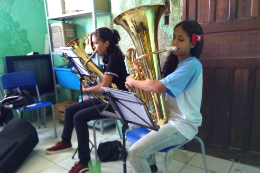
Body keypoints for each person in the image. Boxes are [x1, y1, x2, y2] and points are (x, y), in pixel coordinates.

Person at [125, 20, 204, 173]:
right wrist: (136, 82)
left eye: (180, 39)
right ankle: (151, 167)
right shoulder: (175, 64)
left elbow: (158, 87)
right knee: (134, 122)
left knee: (135, 153)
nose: (174, 42)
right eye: (174, 37)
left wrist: (134, 81)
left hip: (182, 125)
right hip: (167, 119)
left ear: (193, 44)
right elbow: (152, 89)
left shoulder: (192, 65)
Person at [46, 27, 128, 173]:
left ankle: (84, 161)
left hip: (117, 104)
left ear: (106, 43)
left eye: (95, 43)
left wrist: (87, 89)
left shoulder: (114, 59)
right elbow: (105, 84)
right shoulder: (108, 57)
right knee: (70, 109)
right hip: (108, 98)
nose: (93, 47)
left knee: (79, 117)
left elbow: (103, 87)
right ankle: (66, 142)